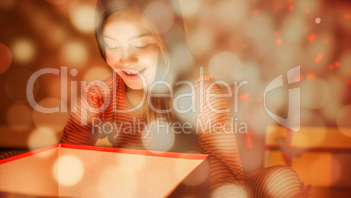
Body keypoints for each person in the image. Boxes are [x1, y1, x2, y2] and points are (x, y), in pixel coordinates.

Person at [60, 0, 308, 197]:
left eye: (141, 45)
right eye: (112, 46)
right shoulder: (101, 95)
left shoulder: (200, 93)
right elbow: (69, 161)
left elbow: (227, 172)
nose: (125, 60)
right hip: (141, 188)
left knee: (282, 179)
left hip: (203, 189)